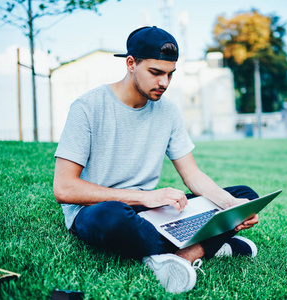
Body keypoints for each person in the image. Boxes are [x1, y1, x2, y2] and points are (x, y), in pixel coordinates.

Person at [53, 26, 260, 294]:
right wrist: (143, 197)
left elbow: (192, 175)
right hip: (98, 211)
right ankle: (205, 248)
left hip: (150, 214)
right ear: (131, 63)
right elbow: (64, 188)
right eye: (156, 73)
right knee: (113, 215)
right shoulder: (87, 107)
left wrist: (232, 206)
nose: (164, 82)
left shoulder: (168, 111)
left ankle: (177, 256)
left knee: (245, 195)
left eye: (170, 74)